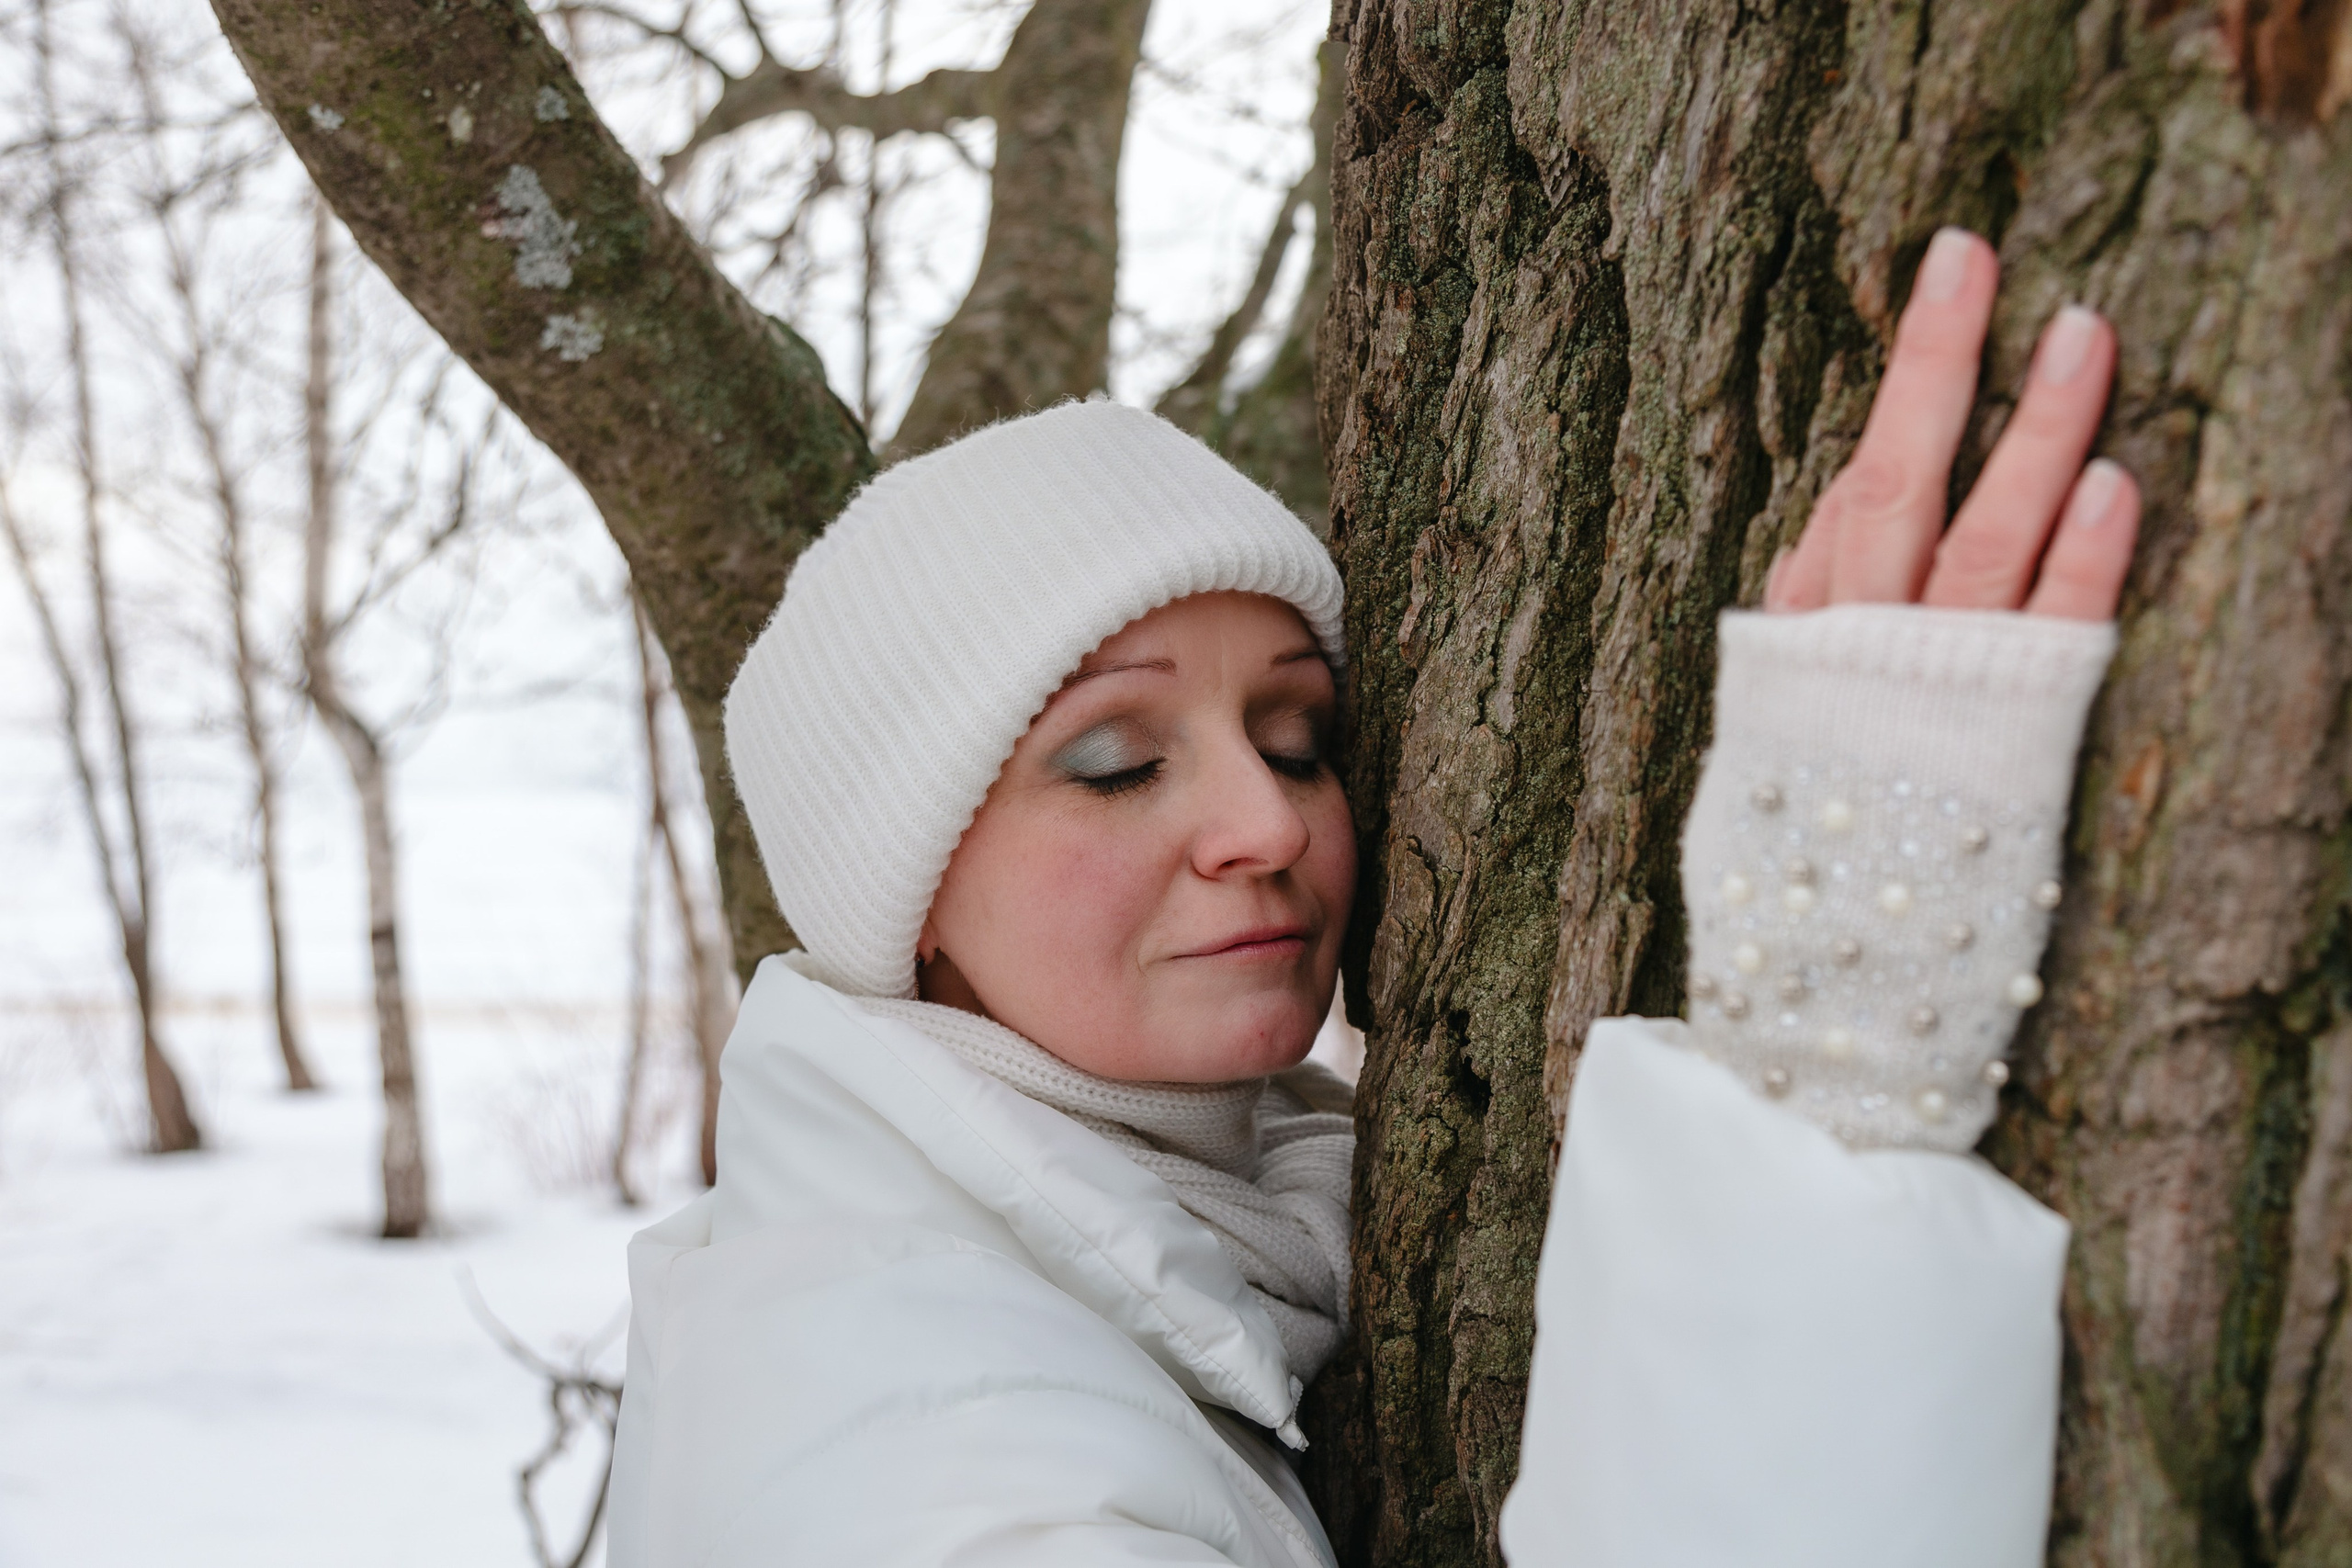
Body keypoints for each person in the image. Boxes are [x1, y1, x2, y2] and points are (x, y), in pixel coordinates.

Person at [605, 227, 2140, 1567]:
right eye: (1119, 764)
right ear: (911, 894)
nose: (1267, 821)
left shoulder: (1183, 1249)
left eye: (1296, 738)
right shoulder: (908, 1439)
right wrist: (1835, 1040)